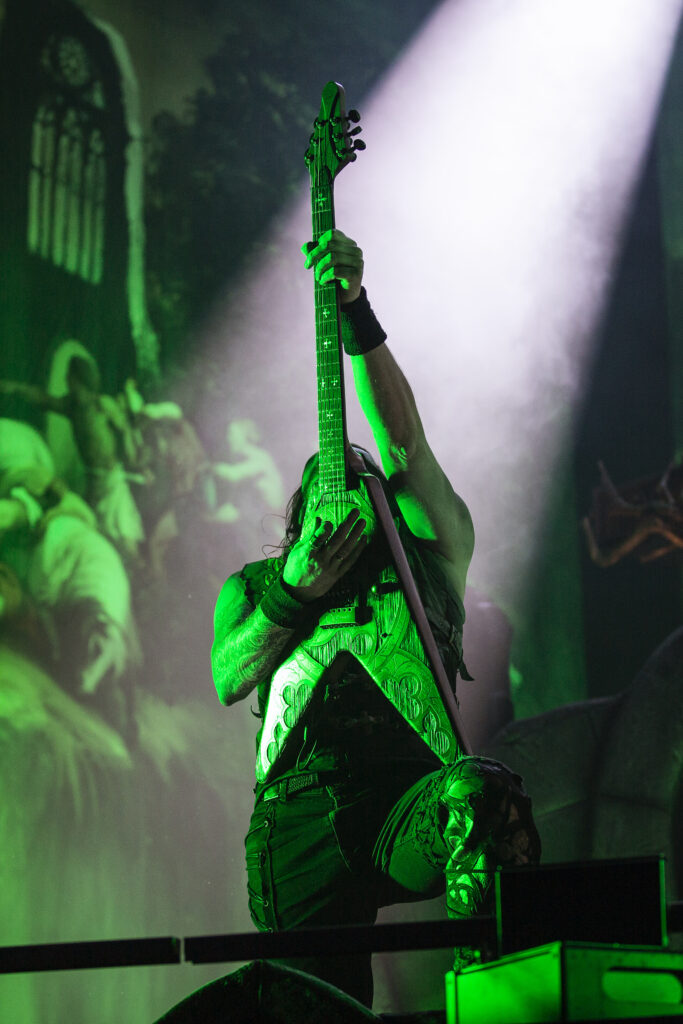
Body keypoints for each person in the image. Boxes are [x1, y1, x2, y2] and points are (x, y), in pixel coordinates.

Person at [211, 229, 540, 1008]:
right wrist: (295, 591)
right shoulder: (256, 584)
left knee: (478, 794)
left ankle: (492, 985)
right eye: (324, 486)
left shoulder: (430, 560)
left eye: (360, 485)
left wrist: (354, 309)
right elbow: (229, 676)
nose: (343, 489)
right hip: (296, 824)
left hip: (406, 804)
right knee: (321, 1008)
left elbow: (406, 444)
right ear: (295, 517)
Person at [0, 357, 145, 560]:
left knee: (123, 533)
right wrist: (15, 388)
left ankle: (141, 572)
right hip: (94, 482)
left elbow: (126, 432)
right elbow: (43, 399)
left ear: (78, 379)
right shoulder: (71, 406)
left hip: (111, 481)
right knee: (98, 531)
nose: (66, 379)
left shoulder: (101, 404)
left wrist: (136, 461)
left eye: (69, 376)